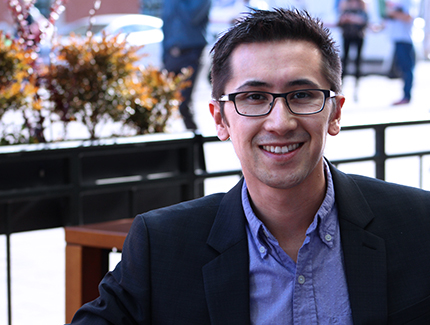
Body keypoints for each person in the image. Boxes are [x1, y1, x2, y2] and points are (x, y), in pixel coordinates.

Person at [69, 9, 430, 324]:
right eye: (254, 97)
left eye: (302, 95)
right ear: (220, 119)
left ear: (334, 113)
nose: (280, 122)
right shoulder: (162, 245)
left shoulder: (419, 224)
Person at [161, 0, 211, 131]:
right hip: (171, 56)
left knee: (184, 104)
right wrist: (165, 55)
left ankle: (195, 142)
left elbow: (192, 17)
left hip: (192, 53)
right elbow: (166, 25)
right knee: (164, 103)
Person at [385, 0, 416, 105]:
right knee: (401, 69)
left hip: (405, 40)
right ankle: (405, 95)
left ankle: (407, 96)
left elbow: (408, 17)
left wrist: (393, 13)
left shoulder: (408, 2)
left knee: (407, 69)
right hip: (397, 40)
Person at [338, 0, 368, 99]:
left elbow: (365, 21)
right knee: (344, 62)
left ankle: (356, 89)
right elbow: (340, 22)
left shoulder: (362, 10)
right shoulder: (346, 9)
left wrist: (352, 19)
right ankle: (341, 88)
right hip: (347, 37)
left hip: (358, 37)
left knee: (358, 62)